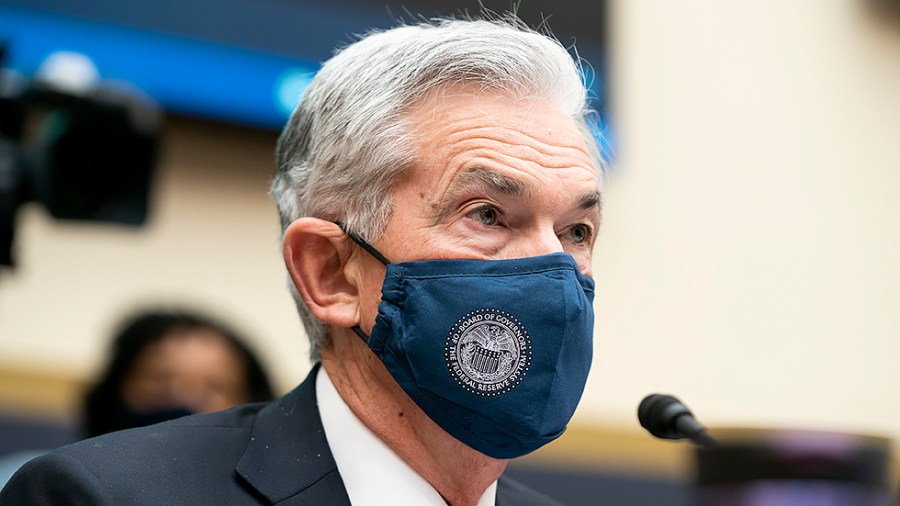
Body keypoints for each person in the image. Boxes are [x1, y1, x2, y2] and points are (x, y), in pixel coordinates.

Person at [1, 13, 604, 505]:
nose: (555, 270)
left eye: (577, 230)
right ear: (331, 272)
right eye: (488, 215)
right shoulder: (102, 497)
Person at [0, 308, 276, 486]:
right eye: (160, 377)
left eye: (214, 385)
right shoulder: (32, 481)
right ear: (117, 387)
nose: (183, 397)